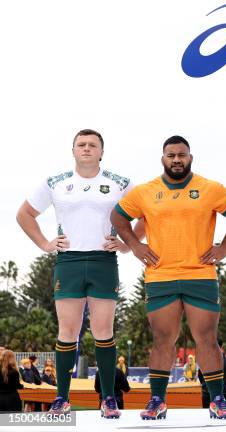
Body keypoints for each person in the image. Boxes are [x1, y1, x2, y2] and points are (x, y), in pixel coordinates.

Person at [111, 135, 226, 421]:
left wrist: (224, 247)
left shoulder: (209, 188)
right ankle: (157, 400)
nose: (176, 160)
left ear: (190, 158)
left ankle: (218, 399)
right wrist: (135, 246)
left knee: (207, 339)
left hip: (201, 273)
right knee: (163, 339)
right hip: (161, 275)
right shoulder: (146, 191)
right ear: (163, 158)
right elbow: (118, 216)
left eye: (181, 155)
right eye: (171, 155)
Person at [16, 129, 139, 419]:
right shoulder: (57, 183)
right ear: (73, 151)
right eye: (81, 145)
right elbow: (24, 214)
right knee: (67, 332)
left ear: (101, 152)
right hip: (68, 263)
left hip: (103, 261)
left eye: (92, 145)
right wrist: (45, 243)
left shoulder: (119, 183)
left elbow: (147, 214)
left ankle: (108, 398)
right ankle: (62, 398)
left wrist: (128, 244)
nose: (86, 149)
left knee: (103, 332)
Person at [199, 338, 226, 408]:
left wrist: (206, 385)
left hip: (207, 391)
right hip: (222, 392)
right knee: (222, 414)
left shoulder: (204, 359)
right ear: (222, 346)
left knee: (206, 415)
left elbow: (200, 376)